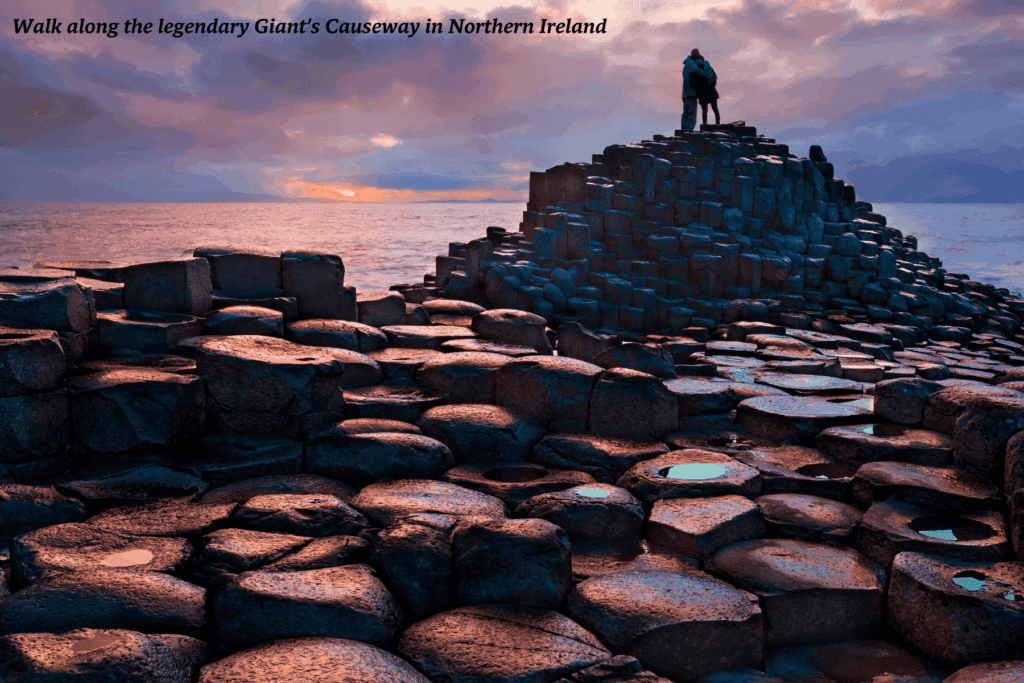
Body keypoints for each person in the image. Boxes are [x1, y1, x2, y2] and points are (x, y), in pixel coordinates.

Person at [693, 51, 721, 126]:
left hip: (702, 91)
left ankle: (705, 126)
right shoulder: (707, 65)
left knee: (704, 110)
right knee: (715, 109)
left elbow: (695, 81)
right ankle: (718, 125)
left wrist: (696, 91)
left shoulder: (695, 67)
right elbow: (714, 75)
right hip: (711, 89)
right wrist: (713, 83)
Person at [680, 49, 703, 131]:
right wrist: (703, 72)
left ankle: (683, 130)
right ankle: (688, 131)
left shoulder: (686, 65)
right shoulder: (691, 63)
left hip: (685, 92)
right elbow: (695, 70)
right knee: (692, 112)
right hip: (691, 92)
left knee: (685, 112)